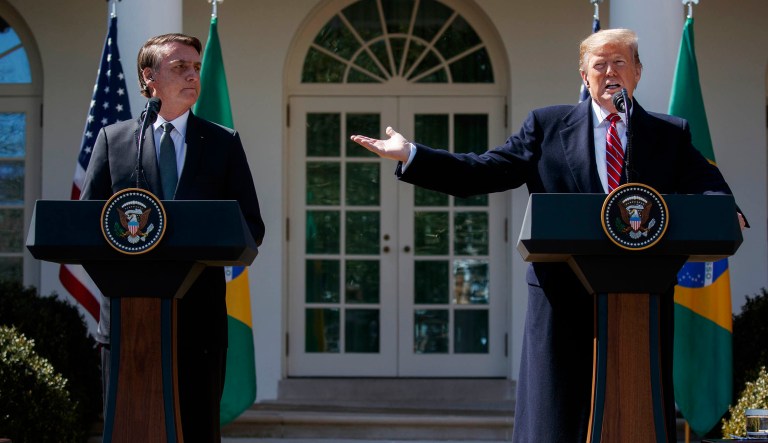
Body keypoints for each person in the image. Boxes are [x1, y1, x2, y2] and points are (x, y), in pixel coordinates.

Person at [351, 28, 746, 442]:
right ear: (584, 74)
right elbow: (484, 170)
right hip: (562, 294)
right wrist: (413, 155)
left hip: (640, 299)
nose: (609, 71)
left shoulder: (669, 133)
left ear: (637, 73)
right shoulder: (547, 125)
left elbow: (708, 183)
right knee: (556, 420)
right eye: (599, 64)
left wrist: (725, 211)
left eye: (619, 63)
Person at [81, 33, 265, 441]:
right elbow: (87, 225)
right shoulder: (115, 140)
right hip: (130, 320)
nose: (193, 75)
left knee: (196, 431)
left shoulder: (222, 143)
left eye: (197, 68)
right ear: (150, 78)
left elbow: (251, 226)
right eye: (180, 67)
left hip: (199, 320)